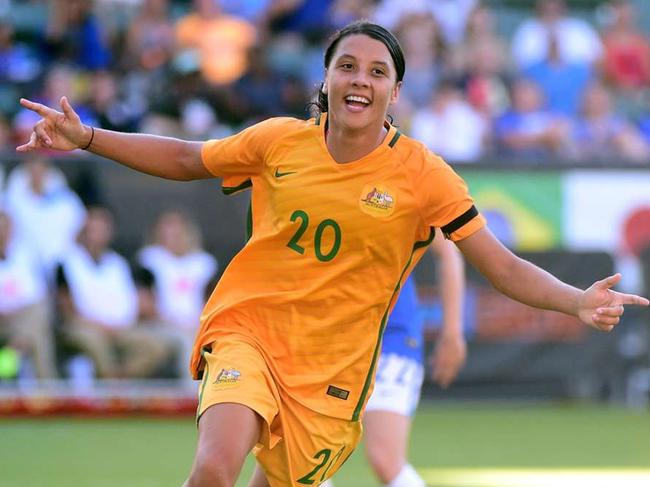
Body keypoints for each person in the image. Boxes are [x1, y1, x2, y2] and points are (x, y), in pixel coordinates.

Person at [16, 20, 648, 487]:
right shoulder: (280, 142)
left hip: (332, 378)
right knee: (212, 469)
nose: (360, 80)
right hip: (250, 332)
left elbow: (501, 266)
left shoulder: (424, 176)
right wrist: (89, 137)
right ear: (327, 77)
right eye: (348, 65)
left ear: (394, 92)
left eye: (378, 72)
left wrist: (577, 301)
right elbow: (187, 158)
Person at [323, 228, 465, 487]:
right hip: (331, 337)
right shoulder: (319, 191)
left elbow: (449, 253)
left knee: (385, 458)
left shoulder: (403, 189)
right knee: (304, 458)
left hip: (393, 336)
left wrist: (452, 333)